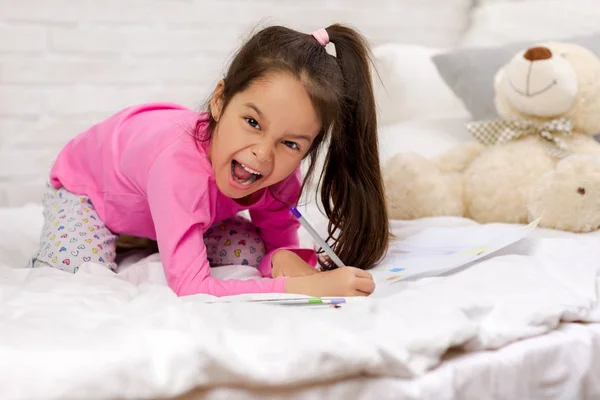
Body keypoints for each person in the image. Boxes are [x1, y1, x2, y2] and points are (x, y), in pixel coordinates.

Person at [29, 24, 390, 297]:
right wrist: (306, 289)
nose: (263, 154)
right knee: (73, 272)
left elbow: (277, 242)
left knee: (248, 254)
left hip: (160, 204)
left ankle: (159, 234)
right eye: (252, 123)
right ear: (220, 101)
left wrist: (288, 261)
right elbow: (191, 288)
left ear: (307, 148)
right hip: (87, 193)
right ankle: (136, 235)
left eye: (290, 144)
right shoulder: (177, 167)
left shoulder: (280, 176)